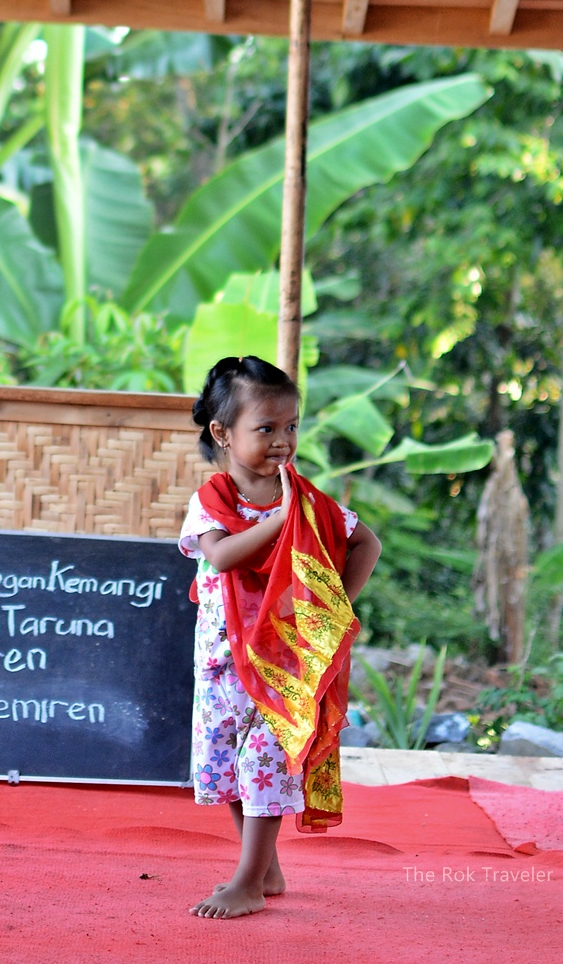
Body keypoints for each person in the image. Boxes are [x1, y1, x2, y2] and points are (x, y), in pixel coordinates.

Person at [180, 355, 382, 919]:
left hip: (283, 663)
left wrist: (330, 609)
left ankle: (246, 881)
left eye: (291, 426)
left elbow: (367, 544)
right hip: (221, 661)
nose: (282, 441)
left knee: (265, 758)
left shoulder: (309, 501)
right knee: (229, 761)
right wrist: (280, 520)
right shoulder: (212, 501)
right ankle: (265, 870)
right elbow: (220, 556)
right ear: (222, 433)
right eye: (265, 428)